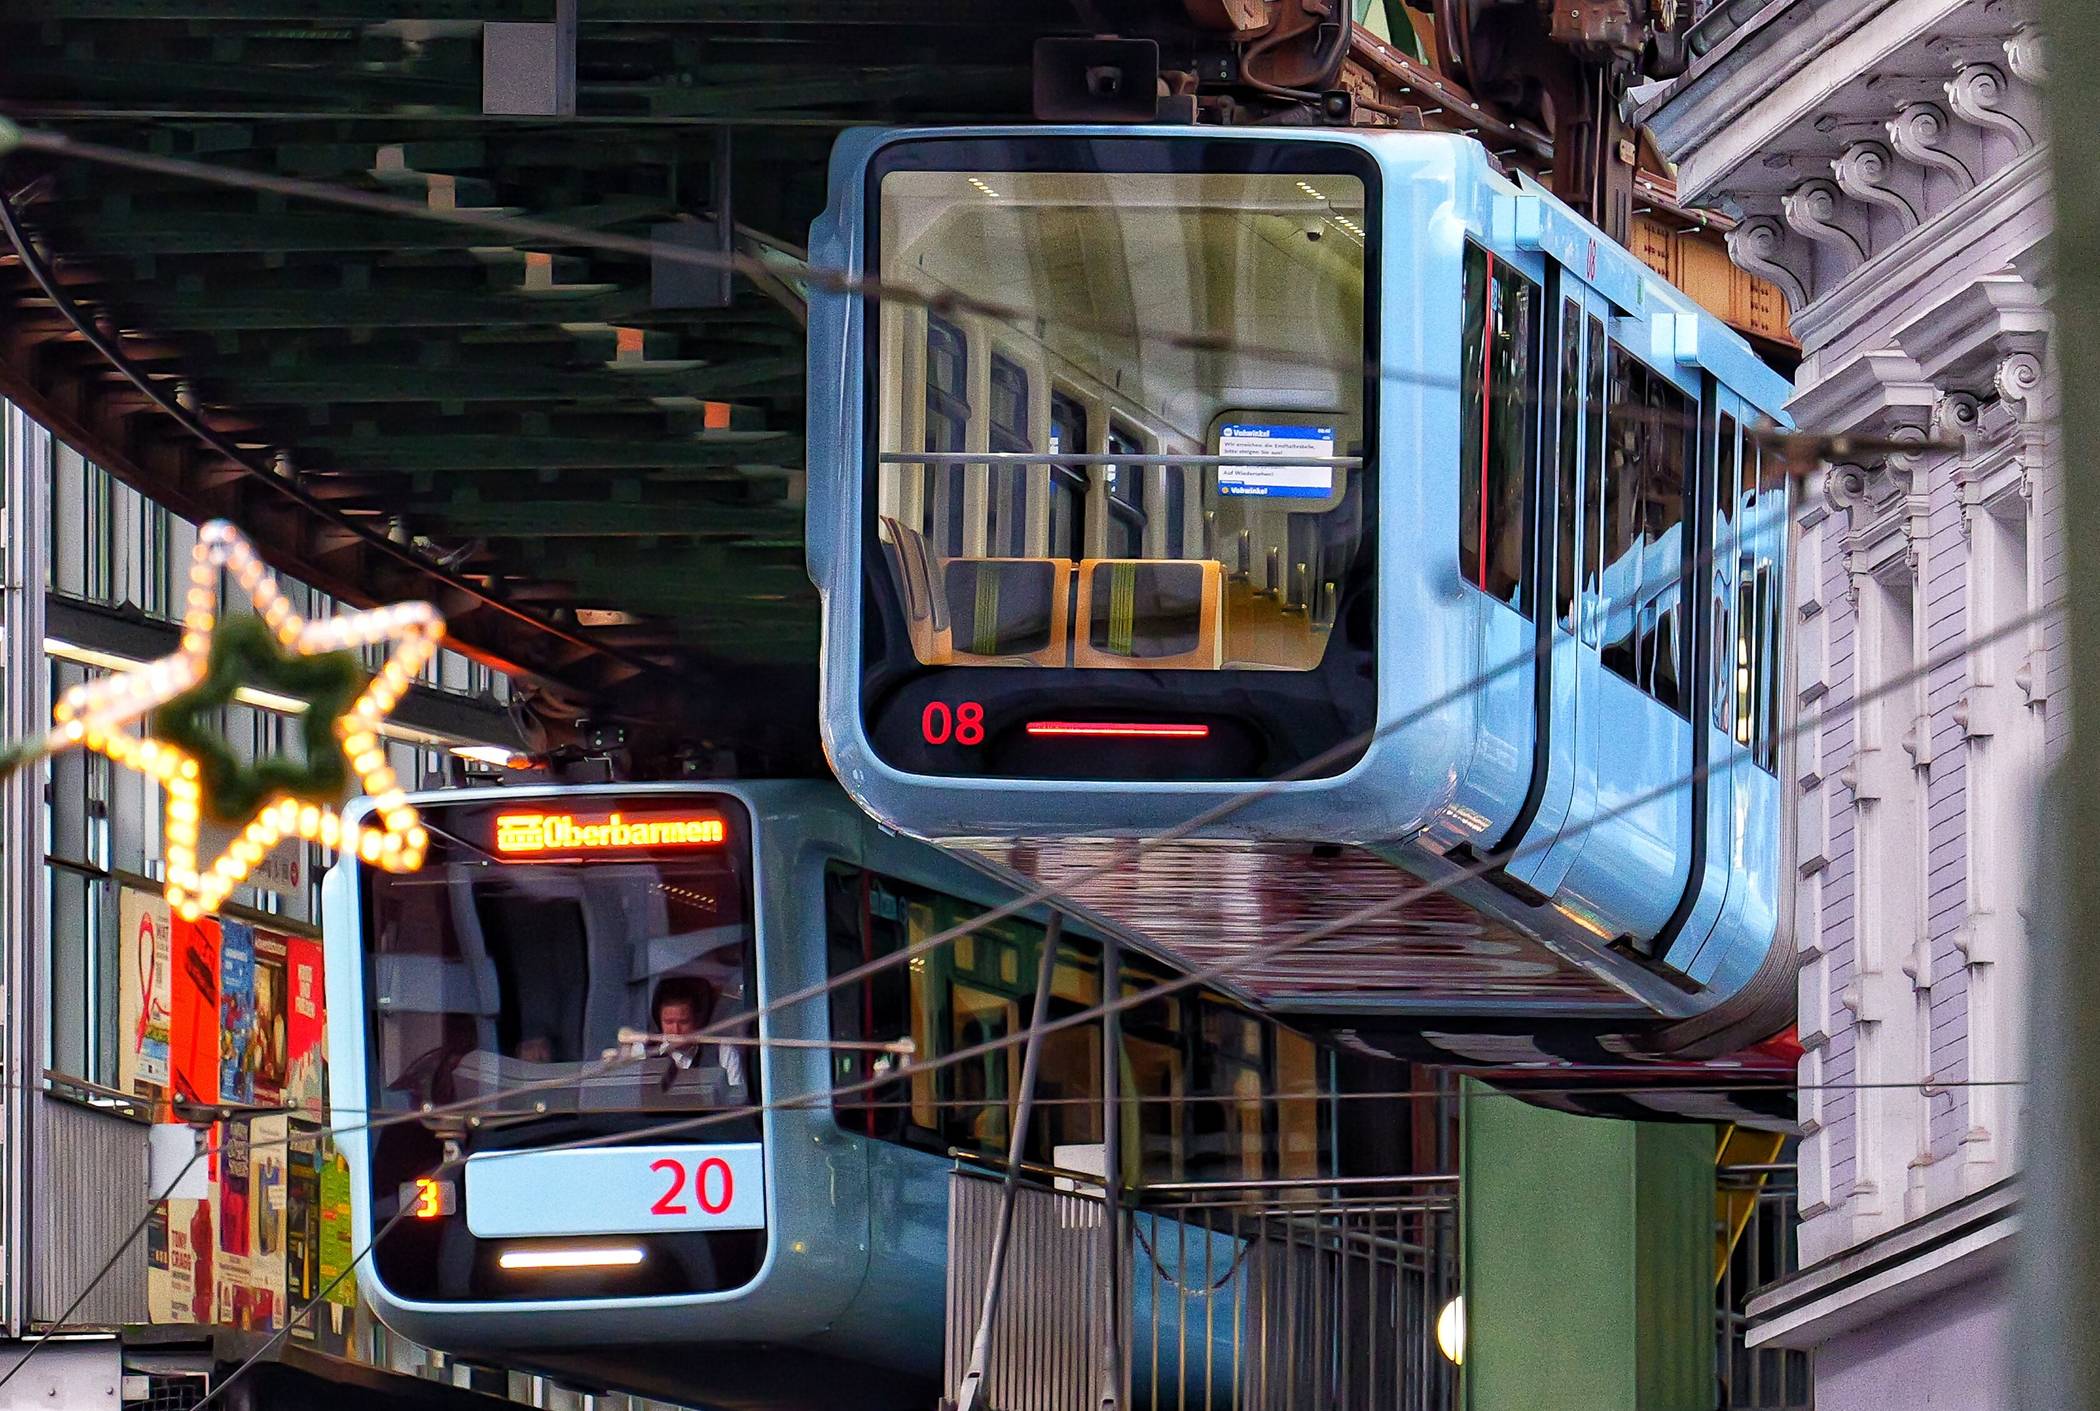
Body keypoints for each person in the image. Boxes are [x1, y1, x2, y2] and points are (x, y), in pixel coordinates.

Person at [649, 975, 744, 1095]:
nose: (675, 1030)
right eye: (668, 1022)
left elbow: (737, 1100)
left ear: (697, 1020)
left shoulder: (723, 1052)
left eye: (683, 1022)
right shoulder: (645, 1052)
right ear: (659, 1021)